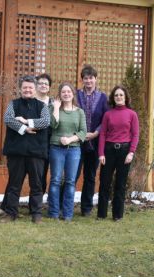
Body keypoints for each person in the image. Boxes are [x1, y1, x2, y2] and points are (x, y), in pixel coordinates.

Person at [0, 75, 50, 224]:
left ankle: (36, 214)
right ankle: (10, 213)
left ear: (35, 90)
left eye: (30, 88)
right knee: (14, 185)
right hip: (16, 152)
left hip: (36, 153)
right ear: (20, 89)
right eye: (25, 88)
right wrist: (24, 129)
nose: (28, 90)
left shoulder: (42, 106)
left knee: (37, 185)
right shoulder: (13, 104)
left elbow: (46, 121)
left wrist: (27, 121)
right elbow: (8, 119)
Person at [97, 85, 139, 221]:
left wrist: (131, 152)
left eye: (121, 95)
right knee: (104, 183)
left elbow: (135, 135)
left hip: (124, 152)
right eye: (116, 95)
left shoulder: (132, 114)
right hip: (108, 151)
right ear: (113, 98)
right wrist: (101, 154)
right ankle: (102, 214)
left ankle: (118, 215)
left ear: (126, 97)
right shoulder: (108, 114)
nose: (119, 97)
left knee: (120, 184)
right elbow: (102, 134)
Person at [48, 82, 87, 221]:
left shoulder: (79, 112)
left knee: (70, 181)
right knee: (56, 180)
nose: (66, 94)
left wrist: (70, 139)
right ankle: (53, 213)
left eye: (68, 91)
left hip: (74, 150)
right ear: (60, 94)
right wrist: (56, 109)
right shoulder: (53, 108)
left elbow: (83, 132)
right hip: (56, 149)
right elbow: (53, 125)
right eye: (63, 92)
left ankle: (68, 214)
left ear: (72, 94)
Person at [75, 65, 109, 216]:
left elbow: (106, 119)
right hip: (76, 142)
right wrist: (79, 134)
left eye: (91, 77)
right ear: (82, 79)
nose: (88, 80)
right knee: (72, 175)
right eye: (85, 78)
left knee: (90, 176)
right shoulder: (75, 95)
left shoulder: (103, 98)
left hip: (95, 143)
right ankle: (65, 205)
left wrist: (96, 133)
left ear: (96, 79)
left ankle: (86, 208)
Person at [35, 73, 54, 194]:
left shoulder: (53, 103)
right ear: (36, 86)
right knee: (35, 173)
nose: (43, 86)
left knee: (43, 171)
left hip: (48, 142)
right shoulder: (31, 101)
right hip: (33, 140)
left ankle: (39, 200)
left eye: (46, 84)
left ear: (49, 87)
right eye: (41, 83)